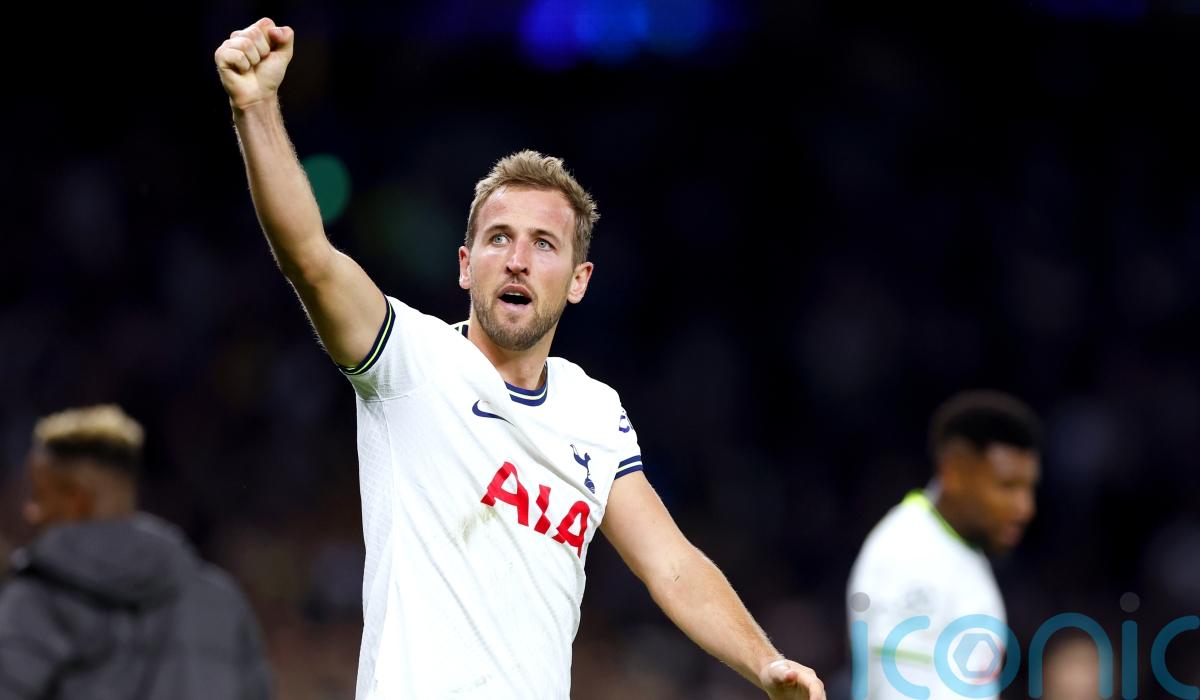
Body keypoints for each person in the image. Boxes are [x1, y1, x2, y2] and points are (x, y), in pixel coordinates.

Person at [214, 16, 825, 700]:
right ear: (465, 265)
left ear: (579, 280)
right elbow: (309, 257)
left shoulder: (594, 411)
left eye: (544, 244)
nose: (518, 259)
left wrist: (764, 662)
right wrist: (255, 106)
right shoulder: (410, 361)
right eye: (499, 238)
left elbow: (672, 565)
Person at [0, 404, 270, 700]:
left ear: (77, 499)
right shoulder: (224, 604)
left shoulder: (38, 599)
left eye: (39, 496)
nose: (31, 513)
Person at [846, 391, 1041, 699]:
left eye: (1029, 488)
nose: (1025, 508)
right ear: (955, 473)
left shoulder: (956, 546)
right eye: (1007, 486)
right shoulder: (909, 552)